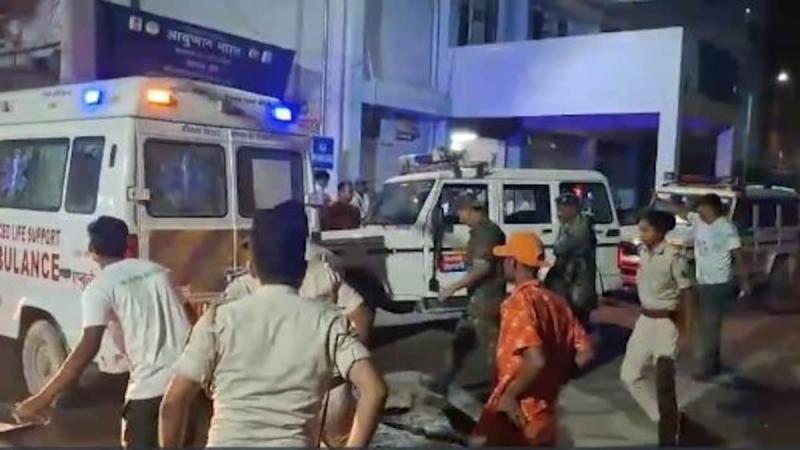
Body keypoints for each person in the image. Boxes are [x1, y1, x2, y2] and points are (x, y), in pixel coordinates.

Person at [159, 202, 387, 447]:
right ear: (303, 269)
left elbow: (174, 402)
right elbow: (374, 390)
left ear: (252, 267)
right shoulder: (327, 321)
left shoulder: (219, 320)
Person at [15, 216, 191, 449]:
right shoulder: (160, 272)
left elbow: (88, 347)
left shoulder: (100, 287)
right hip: (188, 382)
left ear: (93, 250)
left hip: (150, 388)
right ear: (126, 245)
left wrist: (41, 399)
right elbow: (187, 315)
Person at [223, 230, 375, 447]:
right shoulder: (241, 288)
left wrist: (347, 358)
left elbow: (359, 313)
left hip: (324, 390)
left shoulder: (319, 275)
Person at [473, 232, 594, 447]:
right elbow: (585, 353)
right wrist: (556, 377)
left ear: (513, 262)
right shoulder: (556, 301)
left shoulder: (518, 303)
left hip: (517, 413)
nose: (502, 264)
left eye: (505, 259)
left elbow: (535, 359)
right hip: (545, 411)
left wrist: (510, 395)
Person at [620, 210, 693, 446]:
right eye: (640, 229)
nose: (641, 234)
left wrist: (685, 329)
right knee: (629, 375)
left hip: (666, 323)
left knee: (664, 383)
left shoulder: (673, 256)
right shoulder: (643, 252)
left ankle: (669, 431)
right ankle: (664, 418)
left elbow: (687, 293)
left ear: (660, 232)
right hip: (644, 322)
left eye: (646, 230)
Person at [430, 193, 506, 395]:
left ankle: (505, 390)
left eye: (461, 211)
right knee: (461, 340)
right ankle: (441, 383)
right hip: (478, 299)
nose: (459, 215)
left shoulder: (486, 233)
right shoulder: (480, 232)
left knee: (493, 349)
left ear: (472, 210)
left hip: (487, 300)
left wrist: (453, 288)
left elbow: (483, 267)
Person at [676, 193, 749, 381]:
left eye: (702, 207)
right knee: (707, 326)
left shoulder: (726, 227)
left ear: (711, 208)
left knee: (709, 326)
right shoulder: (698, 221)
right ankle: (713, 364)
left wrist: (744, 280)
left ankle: (706, 369)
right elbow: (681, 212)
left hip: (718, 283)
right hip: (702, 282)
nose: (698, 210)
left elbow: (737, 254)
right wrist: (665, 200)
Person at [544, 192, 598, 327]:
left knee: (577, 324)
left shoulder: (580, 227)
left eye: (563, 209)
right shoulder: (568, 225)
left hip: (578, 286)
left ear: (573, 209)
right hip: (568, 282)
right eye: (559, 209)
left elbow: (560, 248)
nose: (559, 213)